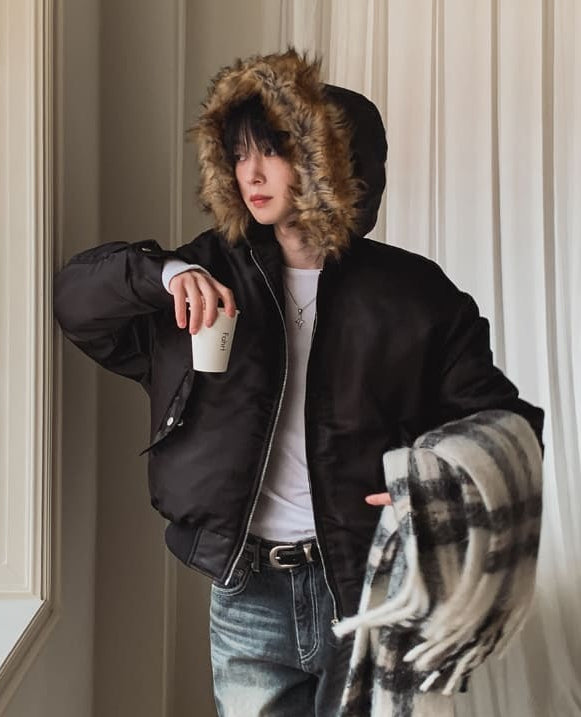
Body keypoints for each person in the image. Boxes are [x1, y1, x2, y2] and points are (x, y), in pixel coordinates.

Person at [54, 49, 544, 716]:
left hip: (373, 583)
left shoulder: (416, 295)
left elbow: (501, 422)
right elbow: (76, 299)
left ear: (328, 161)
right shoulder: (203, 274)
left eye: (273, 151)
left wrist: (431, 484)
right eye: (238, 155)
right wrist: (164, 273)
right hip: (247, 589)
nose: (250, 173)